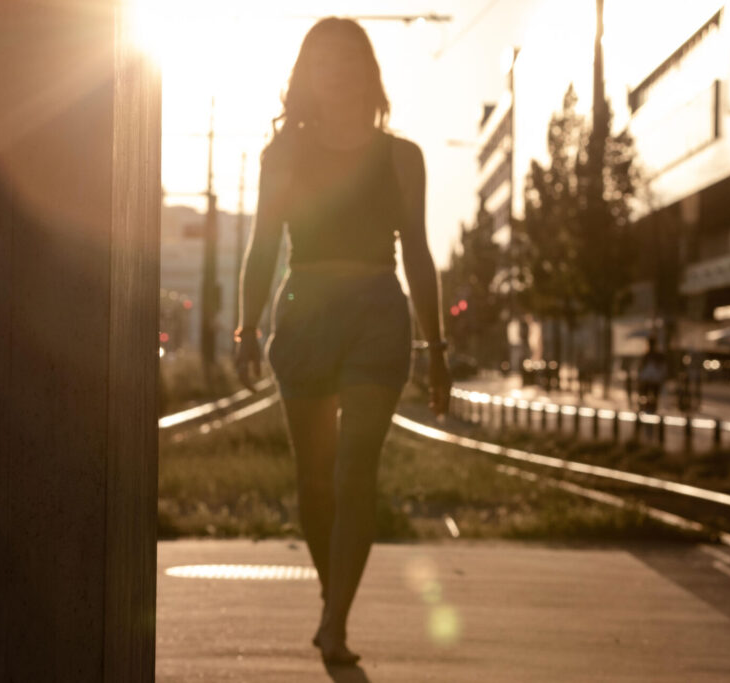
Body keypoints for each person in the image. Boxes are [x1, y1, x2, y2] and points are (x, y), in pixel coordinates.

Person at [233, 17, 452, 667]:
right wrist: (246, 327)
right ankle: (334, 603)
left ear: (369, 70)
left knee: (355, 470)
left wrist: (436, 349)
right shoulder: (284, 156)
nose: (337, 72)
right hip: (303, 313)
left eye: (348, 59)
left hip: (378, 316)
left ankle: (335, 621)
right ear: (306, 76)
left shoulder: (401, 156)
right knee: (315, 479)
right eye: (322, 62)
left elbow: (418, 252)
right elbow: (262, 247)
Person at [636, 337, 667, 414]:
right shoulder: (647, 355)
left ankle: (649, 409)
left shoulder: (651, 356)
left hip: (652, 380)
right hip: (650, 380)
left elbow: (641, 368)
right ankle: (648, 409)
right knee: (647, 396)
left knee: (651, 396)